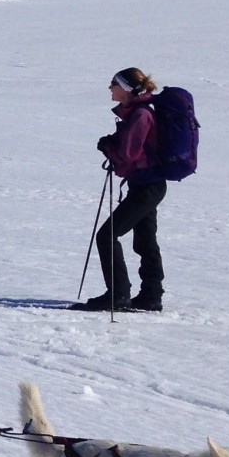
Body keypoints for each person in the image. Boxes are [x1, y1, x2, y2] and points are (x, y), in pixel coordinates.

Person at [72, 67, 167, 312]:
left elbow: (127, 154)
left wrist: (107, 147)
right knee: (145, 241)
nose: (110, 88)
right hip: (147, 184)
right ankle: (151, 295)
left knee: (107, 235)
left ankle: (118, 294)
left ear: (125, 88)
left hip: (146, 186)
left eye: (113, 83)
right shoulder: (137, 113)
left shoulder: (140, 115)